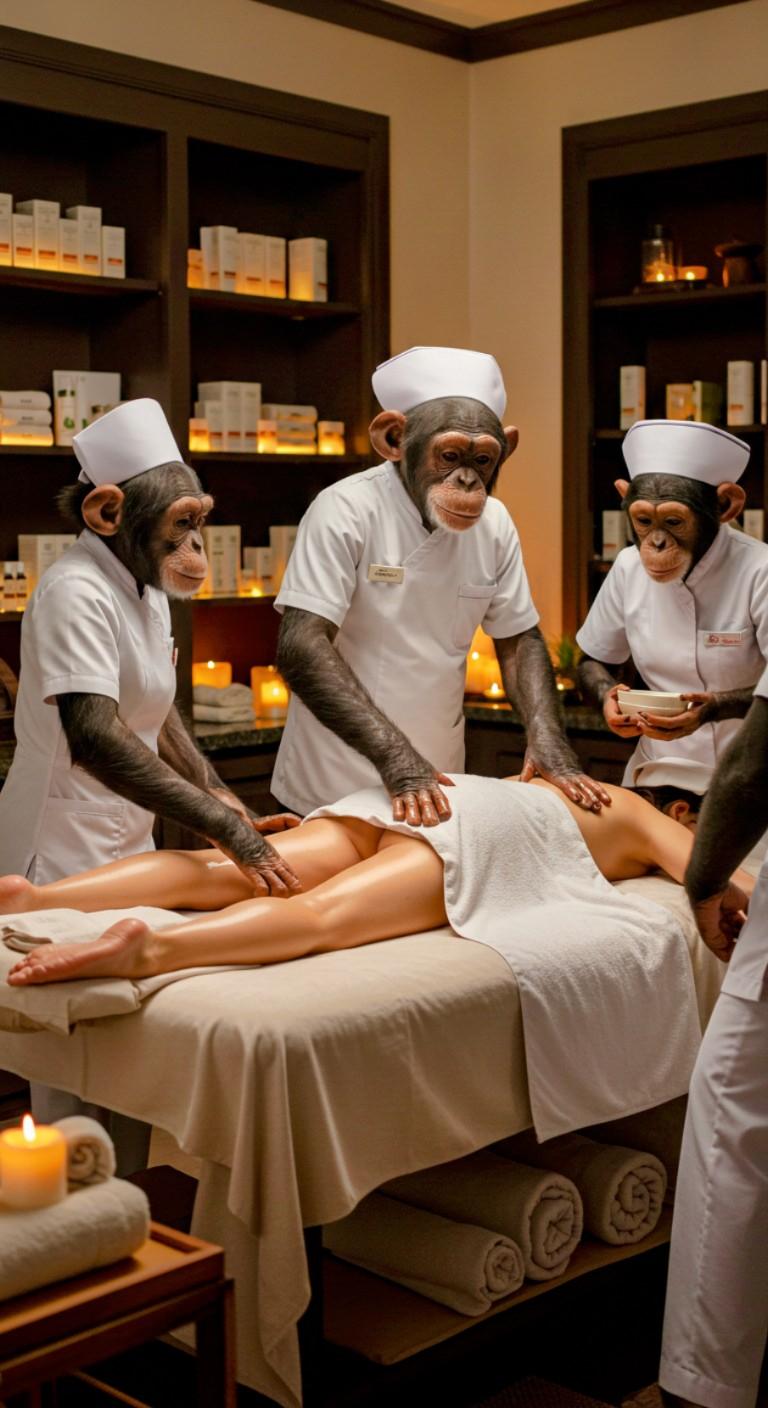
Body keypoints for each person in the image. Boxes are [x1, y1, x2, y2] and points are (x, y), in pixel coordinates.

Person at [272, 346, 609, 825]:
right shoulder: (345, 509)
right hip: (334, 775)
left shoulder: (494, 523)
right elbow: (301, 647)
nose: (468, 481)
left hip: (440, 773)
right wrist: (396, 759)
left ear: (506, 450)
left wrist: (549, 741)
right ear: (395, 439)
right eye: (449, 456)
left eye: (483, 460)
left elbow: (519, 640)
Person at [1, 775, 751, 986]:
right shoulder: (638, 812)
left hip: (422, 793)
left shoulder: (560, 780)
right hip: (480, 829)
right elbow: (717, 879)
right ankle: (153, 952)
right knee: (320, 918)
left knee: (224, 869)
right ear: (682, 810)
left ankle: (39, 896)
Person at [659, 678, 768, 1408]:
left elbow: (751, 769)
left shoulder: (640, 818)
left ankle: (706, 1390)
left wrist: (705, 880)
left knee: (732, 1118)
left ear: (680, 813)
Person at [577, 419, 768, 798]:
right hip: (656, 771)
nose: (657, 542)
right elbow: (591, 661)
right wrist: (606, 695)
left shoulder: (759, 569)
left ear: (725, 506)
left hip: (750, 778)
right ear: (624, 499)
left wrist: (715, 707)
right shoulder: (628, 567)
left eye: (674, 522)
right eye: (644, 521)